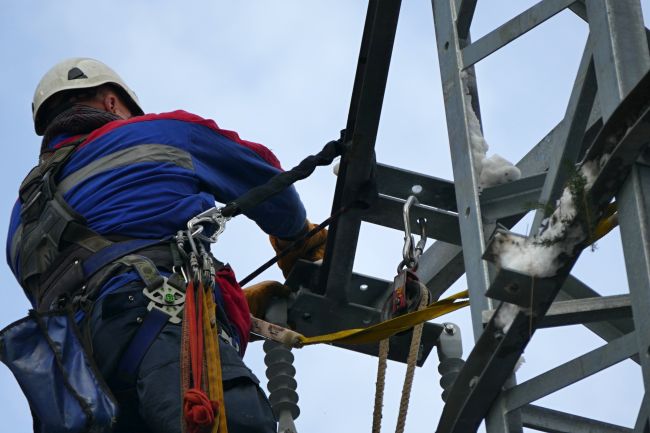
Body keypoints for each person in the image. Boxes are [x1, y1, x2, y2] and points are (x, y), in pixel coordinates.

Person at [5, 57, 327, 433]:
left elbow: (95, 288)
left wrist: (230, 307)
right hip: (156, 322)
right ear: (111, 102)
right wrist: (297, 240)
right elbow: (269, 184)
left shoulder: (20, 219)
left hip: (75, 385)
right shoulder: (157, 133)